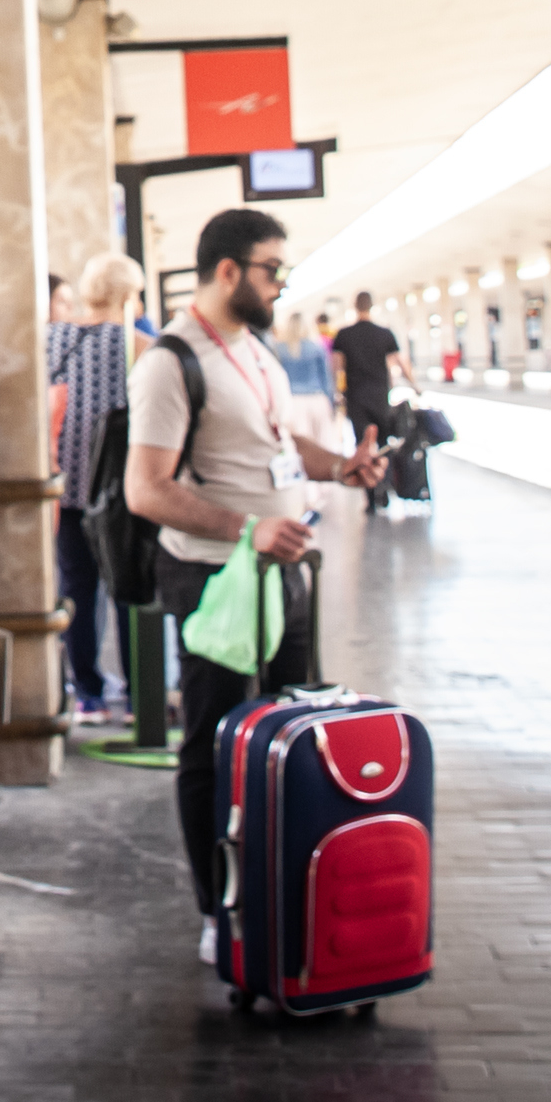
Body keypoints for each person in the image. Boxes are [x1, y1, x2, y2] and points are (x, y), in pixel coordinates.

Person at [125, 208, 381, 964]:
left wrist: (338, 466)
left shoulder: (255, 351)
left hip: (281, 572)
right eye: (273, 268)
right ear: (229, 270)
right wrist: (247, 529)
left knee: (284, 738)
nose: (282, 283)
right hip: (213, 577)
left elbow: (276, 440)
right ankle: (217, 909)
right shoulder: (171, 362)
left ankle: (273, 887)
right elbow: (146, 488)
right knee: (212, 743)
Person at [47, 253, 144, 717]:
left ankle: (86, 691)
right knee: (130, 587)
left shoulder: (54, 338)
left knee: (78, 589)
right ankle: (139, 691)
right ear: (127, 297)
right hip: (119, 492)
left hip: (65, 489)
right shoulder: (138, 346)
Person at [330, 291, 407, 511]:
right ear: (372, 306)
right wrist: (414, 386)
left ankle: (371, 497)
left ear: (355, 306)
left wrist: (337, 393)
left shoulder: (344, 335)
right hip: (380, 396)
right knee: (383, 444)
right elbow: (397, 363)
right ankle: (384, 489)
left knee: (362, 444)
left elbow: (337, 367)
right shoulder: (384, 334)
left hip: (356, 397)